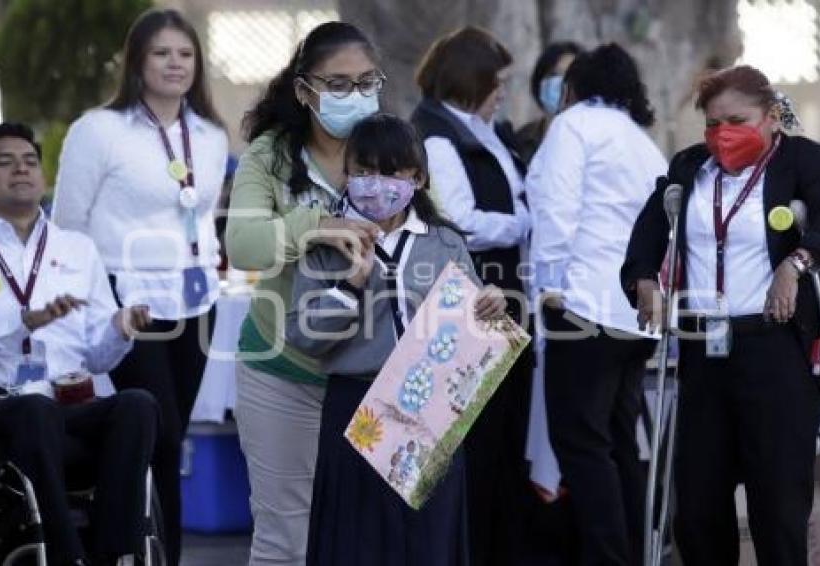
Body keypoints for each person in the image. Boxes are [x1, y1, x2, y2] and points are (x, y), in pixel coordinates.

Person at [622, 65, 820, 566]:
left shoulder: (804, 161)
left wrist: (796, 263)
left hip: (775, 349)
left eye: (737, 120)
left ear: (772, 118)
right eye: (713, 123)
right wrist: (643, 278)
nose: (723, 134)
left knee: (777, 505)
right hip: (705, 351)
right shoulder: (691, 167)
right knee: (697, 505)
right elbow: (650, 227)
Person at [286, 113, 507, 566]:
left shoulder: (443, 242)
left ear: (418, 178)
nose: (375, 184)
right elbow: (301, 334)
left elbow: (470, 327)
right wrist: (349, 288)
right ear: (345, 176)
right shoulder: (329, 243)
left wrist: (490, 302)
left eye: (390, 172)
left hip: (432, 407)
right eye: (362, 172)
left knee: (427, 541)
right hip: (357, 408)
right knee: (359, 543)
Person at [50, 9, 228, 565]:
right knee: (159, 432)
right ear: (137, 62)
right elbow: (68, 224)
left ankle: (149, 550)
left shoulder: (211, 135)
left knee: (169, 443)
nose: (175, 64)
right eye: (162, 53)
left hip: (197, 303)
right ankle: (141, 551)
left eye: (185, 54)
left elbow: (200, 217)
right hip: (129, 301)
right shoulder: (99, 130)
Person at [225, 22, 384, 565]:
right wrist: (312, 224)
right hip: (282, 370)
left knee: (370, 535)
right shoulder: (270, 156)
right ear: (304, 91)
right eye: (337, 84)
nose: (354, 95)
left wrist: (477, 296)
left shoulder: (389, 146)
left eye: (366, 82)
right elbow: (243, 244)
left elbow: (435, 236)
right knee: (287, 539)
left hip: (372, 376)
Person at [0, 122, 157, 566]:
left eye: (29, 161)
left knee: (137, 403)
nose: (21, 170)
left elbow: (97, 356)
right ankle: (66, 557)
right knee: (34, 410)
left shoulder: (76, 248)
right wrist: (21, 320)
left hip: (66, 401)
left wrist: (120, 327)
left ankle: (117, 553)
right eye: (5, 162)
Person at [525, 43, 667, 566]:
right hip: (635, 313)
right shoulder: (642, 141)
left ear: (574, 86)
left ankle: (607, 557)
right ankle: (633, 551)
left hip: (582, 304)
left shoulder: (574, 124)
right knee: (616, 442)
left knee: (582, 445)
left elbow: (556, 210)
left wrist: (548, 289)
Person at [410, 25, 534, 565]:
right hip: (473, 302)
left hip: (504, 295)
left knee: (504, 443)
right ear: (471, 79)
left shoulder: (482, 130)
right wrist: (522, 223)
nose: (503, 92)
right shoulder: (438, 135)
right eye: (496, 80)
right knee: (477, 445)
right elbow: (458, 221)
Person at [516, 41, 582, 165]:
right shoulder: (522, 140)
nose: (560, 83)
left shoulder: (593, 140)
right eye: (553, 74)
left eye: (569, 76)